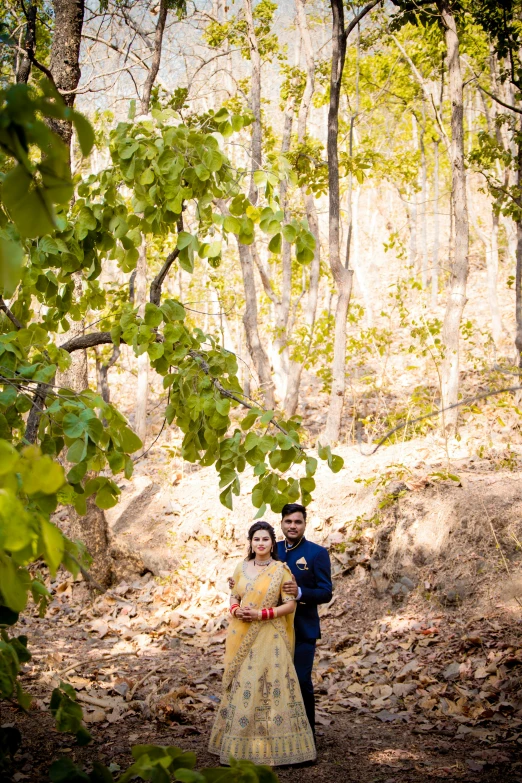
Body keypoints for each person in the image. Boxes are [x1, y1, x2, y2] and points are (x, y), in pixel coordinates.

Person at [209, 521, 316, 767]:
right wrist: (236, 611)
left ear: (271, 542)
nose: (260, 543)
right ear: (251, 542)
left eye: (265, 539)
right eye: (256, 539)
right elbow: (234, 596)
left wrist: (261, 614)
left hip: (271, 635)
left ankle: (284, 750)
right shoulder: (241, 567)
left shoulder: (281, 570)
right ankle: (240, 748)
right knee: (244, 684)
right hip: (243, 633)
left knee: (272, 684)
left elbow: (290, 605)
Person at [276, 503, 332, 735]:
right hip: (272, 628)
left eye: (297, 522)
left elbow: (326, 592)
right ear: (281, 523)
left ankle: (306, 736)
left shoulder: (317, 553)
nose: (292, 526)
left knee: (300, 681)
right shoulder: (271, 549)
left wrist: (300, 593)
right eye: (288, 521)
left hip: (303, 629)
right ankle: (277, 733)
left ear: (304, 524)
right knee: (275, 682)